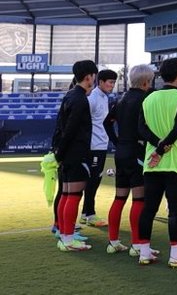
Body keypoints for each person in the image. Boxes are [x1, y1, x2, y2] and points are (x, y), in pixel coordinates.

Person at [136, 57, 177, 267]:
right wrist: (163, 148)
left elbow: (141, 129)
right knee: (176, 211)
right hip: (176, 163)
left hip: (151, 164)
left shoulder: (148, 99)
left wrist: (156, 146)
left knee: (148, 209)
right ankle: (176, 256)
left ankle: (144, 252)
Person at [105, 64, 158, 257]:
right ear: (145, 82)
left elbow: (106, 123)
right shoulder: (145, 99)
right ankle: (137, 244)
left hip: (121, 152)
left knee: (119, 197)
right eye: (150, 81)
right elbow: (144, 128)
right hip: (136, 152)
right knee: (139, 199)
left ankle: (113, 241)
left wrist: (118, 142)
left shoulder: (120, 99)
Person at [53, 60, 98, 252]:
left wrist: (58, 151)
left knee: (66, 194)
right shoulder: (80, 99)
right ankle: (69, 239)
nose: (94, 80)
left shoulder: (70, 95)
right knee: (73, 195)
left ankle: (65, 235)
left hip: (67, 153)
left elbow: (60, 126)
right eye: (94, 76)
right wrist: (61, 151)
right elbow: (70, 129)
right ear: (89, 77)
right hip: (76, 153)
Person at [81, 69, 117, 227]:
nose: (112, 85)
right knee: (92, 181)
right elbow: (83, 119)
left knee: (95, 180)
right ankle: (90, 214)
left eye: (114, 82)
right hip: (94, 146)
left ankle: (84, 213)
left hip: (101, 145)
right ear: (100, 82)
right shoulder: (93, 98)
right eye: (110, 82)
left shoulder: (104, 98)